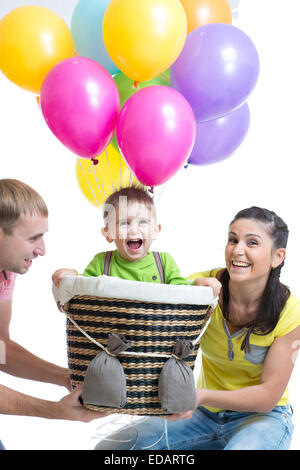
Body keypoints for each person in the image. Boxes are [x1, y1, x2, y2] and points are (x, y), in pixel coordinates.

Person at [94, 206, 300, 451]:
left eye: (252, 243)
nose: (237, 250)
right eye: (232, 239)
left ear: (278, 256)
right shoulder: (203, 289)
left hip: (261, 418)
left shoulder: (290, 311)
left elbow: (268, 396)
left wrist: (200, 395)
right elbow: (144, 302)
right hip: (203, 415)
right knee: (113, 448)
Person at [0, 179, 106, 451]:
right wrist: (55, 411)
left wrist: (67, 377)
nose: (42, 249)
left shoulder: (5, 272)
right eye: (33, 238)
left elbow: (0, 348)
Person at [52, 186, 221, 296]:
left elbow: (182, 292)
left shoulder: (164, 262)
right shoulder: (102, 262)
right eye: (124, 223)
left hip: (155, 335)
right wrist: (71, 277)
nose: (134, 230)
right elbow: (84, 289)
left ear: (156, 230)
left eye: (142, 222)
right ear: (108, 233)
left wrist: (198, 286)